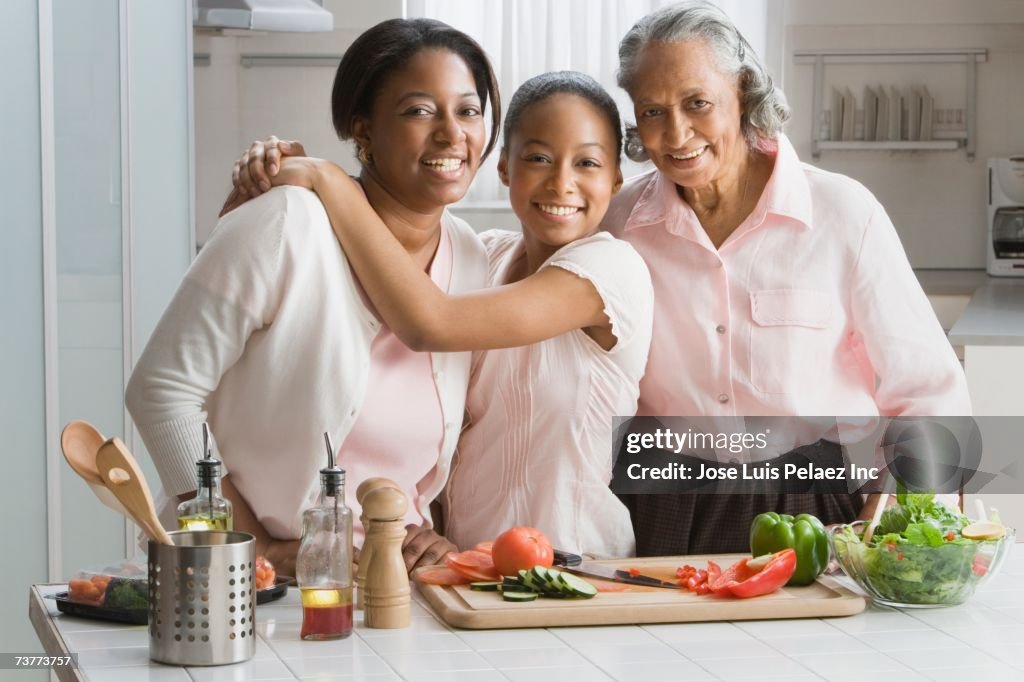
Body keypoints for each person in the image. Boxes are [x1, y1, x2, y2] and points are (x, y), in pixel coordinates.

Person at [124, 18, 501, 575]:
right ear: (362, 130)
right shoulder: (285, 220)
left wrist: (427, 535)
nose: (452, 134)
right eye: (419, 110)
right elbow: (160, 391)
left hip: (388, 585)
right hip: (242, 587)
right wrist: (249, 544)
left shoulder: (468, 254)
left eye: (468, 111)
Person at [229, 72, 653, 559]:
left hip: (578, 566)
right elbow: (378, 257)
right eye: (537, 158)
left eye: (588, 163)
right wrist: (268, 184)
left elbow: (428, 323)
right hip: (464, 568)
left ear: (616, 179)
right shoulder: (479, 257)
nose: (562, 182)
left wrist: (325, 178)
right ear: (504, 169)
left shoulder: (612, 270)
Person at [602, 1, 971, 554]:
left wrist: (905, 499)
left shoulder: (843, 213)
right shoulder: (620, 222)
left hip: (813, 505)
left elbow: (928, 391)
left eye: (698, 103)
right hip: (658, 500)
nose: (677, 134)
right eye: (652, 112)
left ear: (745, 92)